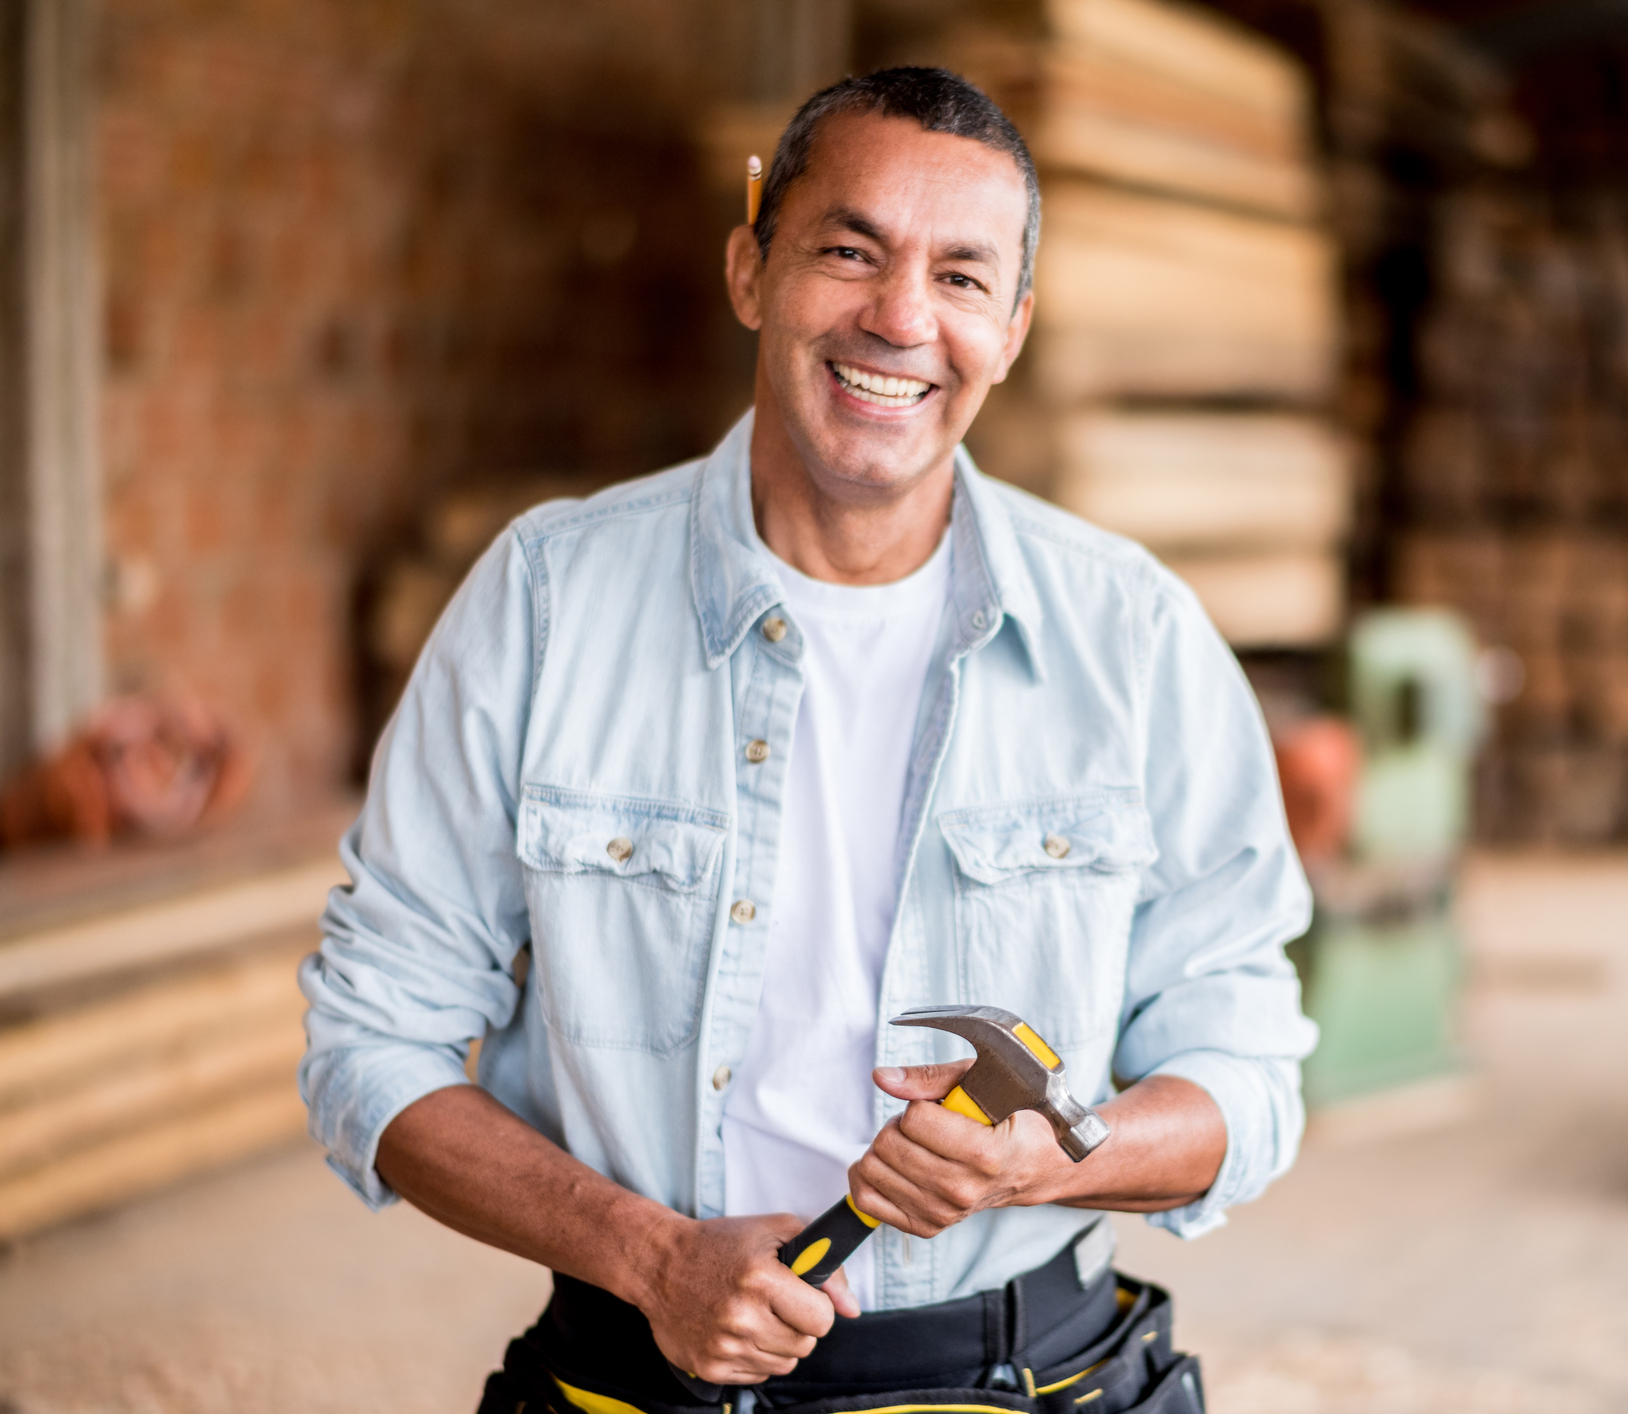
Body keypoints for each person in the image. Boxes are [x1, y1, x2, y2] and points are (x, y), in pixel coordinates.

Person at [299, 66, 1316, 1414]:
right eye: (850, 252)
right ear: (750, 271)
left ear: (1012, 330)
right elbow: (372, 1043)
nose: (901, 318)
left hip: (1025, 1375)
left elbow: (1247, 1074)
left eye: (962, 277)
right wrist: (651, 1257)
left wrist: (1046, 1161)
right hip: (639, 1373)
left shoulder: (1131, 635)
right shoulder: (547, 601)